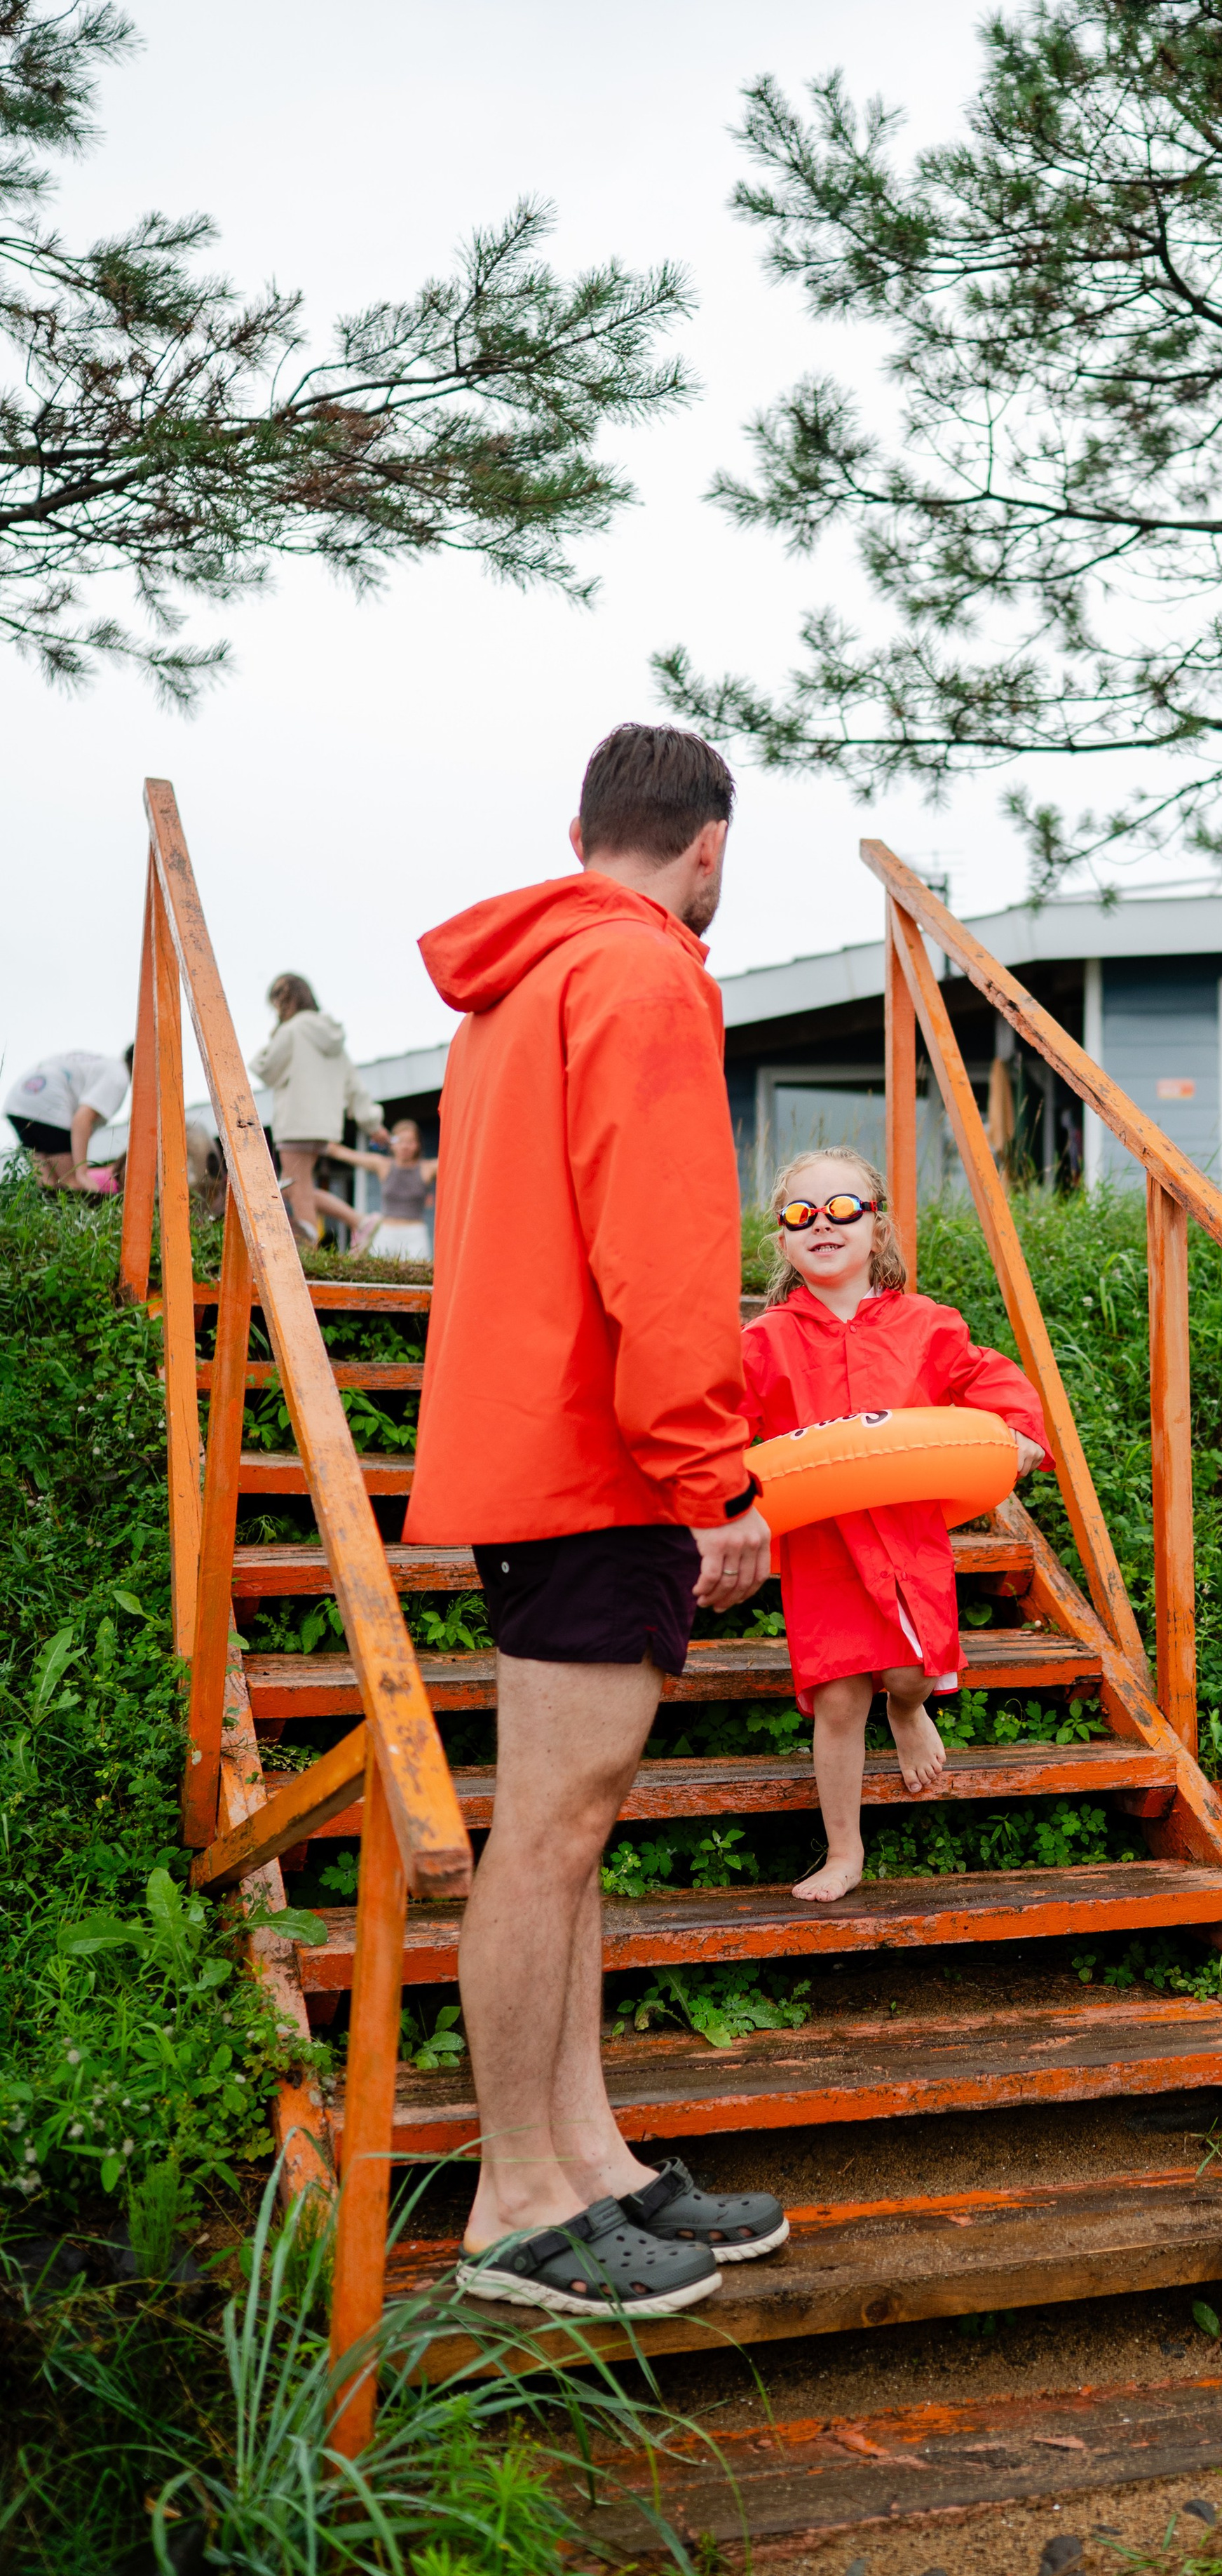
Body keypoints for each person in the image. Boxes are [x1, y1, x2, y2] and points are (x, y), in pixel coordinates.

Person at [404, 722, 785, 2322]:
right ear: (706, 848)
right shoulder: (643, 975)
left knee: (570, 1833)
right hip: (596, 1456)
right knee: (548, 1836)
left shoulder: (518, 989)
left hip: (536, 1442)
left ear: (584, 832)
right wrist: (716, 1474)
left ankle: (591, 2157)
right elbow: (666, 1246)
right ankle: (515, 2203)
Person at [740, 1147, 1049, 1903]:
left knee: (909, 1669)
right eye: (801, 1213)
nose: (823, 1223)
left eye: (844, 1207)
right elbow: (725, 1424)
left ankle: (909, 1709)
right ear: (782, 1241)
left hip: (907, 1534)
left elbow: (989, 1374)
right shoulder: (764, 1341)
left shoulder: (926, 1326)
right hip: (823, 1544)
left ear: (875, 1228)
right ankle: (844, 1849)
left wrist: (1020, 1433)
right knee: (839, 1695)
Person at [250, 975, 386, 1246]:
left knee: (293, 1186)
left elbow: (265, 1069)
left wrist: (275, 1035)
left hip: (295, 1122)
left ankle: (313, 1250)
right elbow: (354, 1085)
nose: (276, 1006)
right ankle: (359, 1221)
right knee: (298, 1188)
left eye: (277, 998)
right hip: (324, 1126)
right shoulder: (333, 1036)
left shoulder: (290, 1031)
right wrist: (373, 1124)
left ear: (287, 998)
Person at [4, 1046, 132, 1192]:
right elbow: (82, 1120)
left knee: (48, 1185)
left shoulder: (106, 1065)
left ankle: (50, 1213)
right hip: (48, 1102)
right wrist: (82, 1174)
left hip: (18, 1101)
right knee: (72, 1184)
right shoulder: (118, 1077)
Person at [327, 1117, 437, 1260]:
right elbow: (342, 1153)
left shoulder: (427, 1169)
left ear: (417, 1145)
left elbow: (458, 1159)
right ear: (392, 1144)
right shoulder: (383, 1165)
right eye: (400, 1141)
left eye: (410, 1142)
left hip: (415, 1233)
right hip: (387, 1232)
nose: (405, 1146)